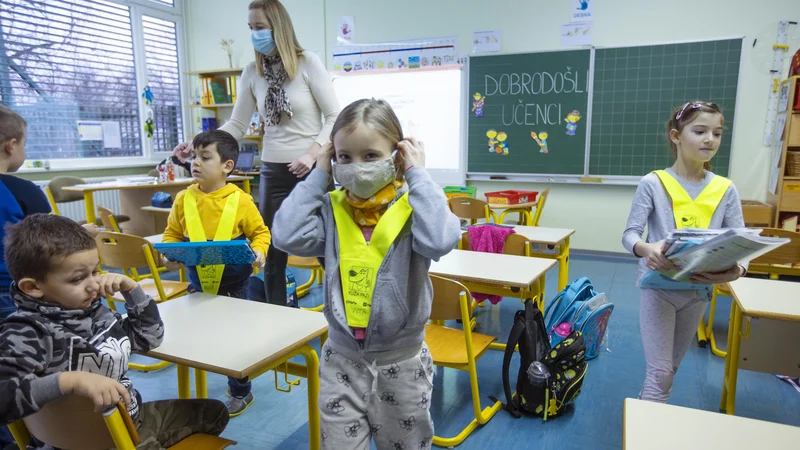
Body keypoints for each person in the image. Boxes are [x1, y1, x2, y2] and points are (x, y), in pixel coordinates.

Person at [272, 99, 461, 449]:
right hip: (340, 360)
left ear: (397, 155)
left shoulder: (413, 208)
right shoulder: (330, 209)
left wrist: (417, 174)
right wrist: (318, 175)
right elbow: (285, 234)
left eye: (371, 156)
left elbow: (441, 239)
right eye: (344, 157)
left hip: (401, 363)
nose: (356, 167)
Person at [0, 215, 229, 449]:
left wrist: (133, 291)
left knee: (213, 412)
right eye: (78, 278)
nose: (93, 285)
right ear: (33, 287)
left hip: (129, 420)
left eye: (96, 271)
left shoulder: (92, 310)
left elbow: (149, 338)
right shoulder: (25, 331)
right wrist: (69, 381)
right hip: (87, 439)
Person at [172, 0, 339, 307]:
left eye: (260, 27)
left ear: (280, 28)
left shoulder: (308, 63)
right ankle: (278, 319)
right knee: (273, 252)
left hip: (313, 171)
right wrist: (196, 143)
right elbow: (236, 124)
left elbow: (334, 117)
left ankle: (342, 312)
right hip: (274, 171)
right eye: (251, 28)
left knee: (325, 247)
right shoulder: (252, 72)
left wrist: (312, 154)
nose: (255, 34)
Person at [622, 101, 746, 403]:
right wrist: (645, 248)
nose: (710, 140)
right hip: (659, 289)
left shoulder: (725, 189)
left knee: (669, 371)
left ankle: (645, 409)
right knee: (661, 373)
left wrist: (737, 270)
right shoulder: (653, 183)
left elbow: (741, 246)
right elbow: (630, 235)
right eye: (700, 131)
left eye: (717, 133)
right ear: (676, 136)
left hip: (698, 293)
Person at [162, 129, 270, 416]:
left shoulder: (241, 200)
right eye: (195, 156)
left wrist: (259, 252)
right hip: (197, 282)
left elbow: (260, 233)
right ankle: (198, 385)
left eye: (205, 157)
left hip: (235, 283)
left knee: (234, 341)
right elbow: (171, 234)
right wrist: (169, 253)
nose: (196, 162)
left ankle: (240, 392)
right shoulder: (183, 199)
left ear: (227, 166)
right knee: (199, 336)